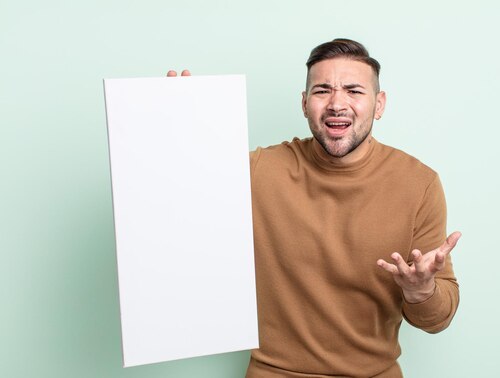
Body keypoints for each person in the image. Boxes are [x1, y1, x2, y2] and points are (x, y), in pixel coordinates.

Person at [168, 38, 461, 378]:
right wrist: (179, 124)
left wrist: (420, 290)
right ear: (305, 104)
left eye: (354, 91)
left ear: (379, 104)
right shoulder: (258, 172)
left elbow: (437, 319)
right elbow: (180, 198)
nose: (338, 103)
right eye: (323, 91)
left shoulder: (418, 184)